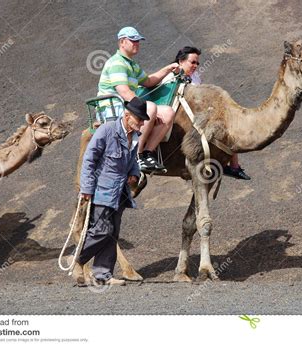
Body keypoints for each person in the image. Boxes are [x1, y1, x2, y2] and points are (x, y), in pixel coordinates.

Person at [75, 97, 148, 286]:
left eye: (142, 120)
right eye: (139, 119)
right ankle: (77, 260)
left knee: (112, 233)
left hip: (120, 193)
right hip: (102, 191)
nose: (141, 123)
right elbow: (89, 160)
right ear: (127, 115)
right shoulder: (107, 131)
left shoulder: (135, 137)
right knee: (101, 230)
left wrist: (134, 172)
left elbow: (133, 160)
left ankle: (102, 275)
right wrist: (87, 188)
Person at [97, 26, 179, 173]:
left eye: (138, 41)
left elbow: (148, 81)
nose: (137, 43)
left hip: (126, 107)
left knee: (167, 112)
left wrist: (168, 69)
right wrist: (149, 112)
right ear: (122, 42)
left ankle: (147, 154)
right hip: (111, 108)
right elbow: (124, 91)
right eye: (133, 40)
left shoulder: (132, 65)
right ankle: (136, 156)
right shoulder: (117, 62)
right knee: (151, 107)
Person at [173, 47, 251, 180]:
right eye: (192, 62)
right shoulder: (173, 75)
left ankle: (233, 166)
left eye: (197, 63)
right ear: (181, 61)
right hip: (181, 115)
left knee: (227, 127)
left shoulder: (195, 76)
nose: (196, 66)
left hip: (197, 112)